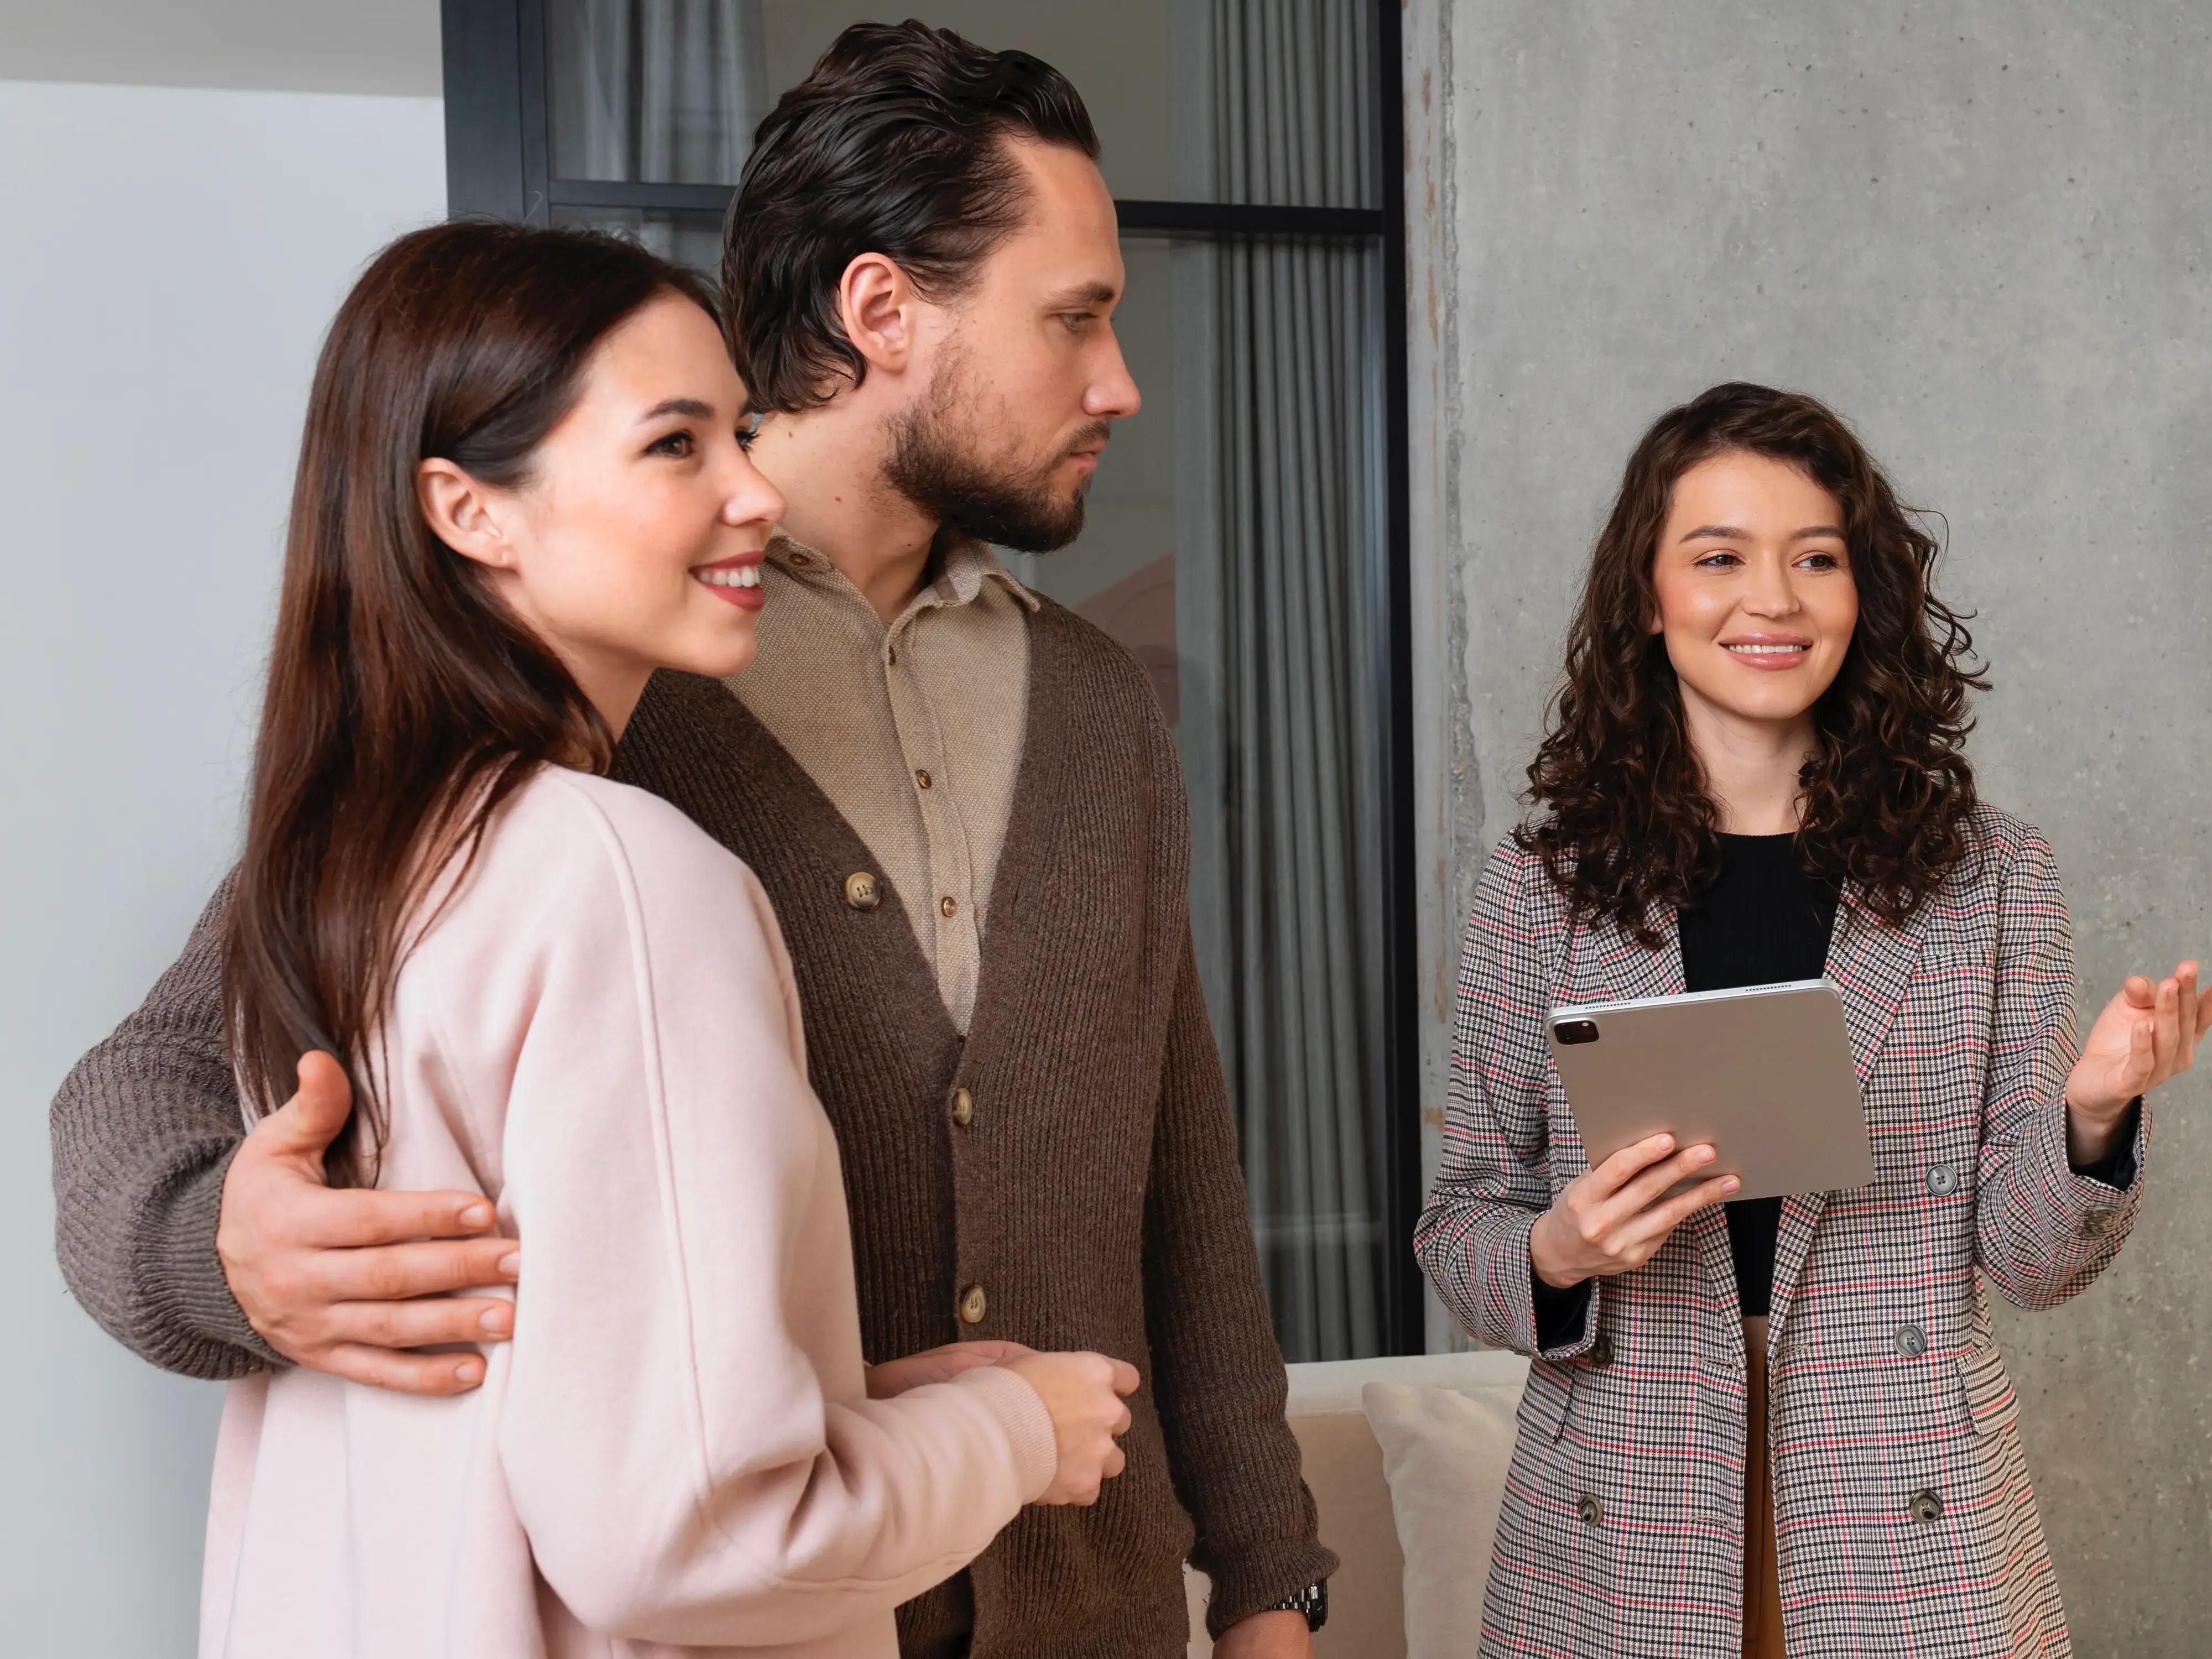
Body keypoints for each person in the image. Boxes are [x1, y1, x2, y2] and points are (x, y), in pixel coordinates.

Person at [51, 24, 1331, 1657]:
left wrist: (1271, 1577)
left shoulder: (1094, 705)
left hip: (1088, 1603)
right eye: (1073, 319)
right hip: (767, 1608)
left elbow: (1184, 1175)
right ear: (884, 314)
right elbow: (168, 1054)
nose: (1118, 385)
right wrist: (214, 1251)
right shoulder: (593, 674)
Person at [192, 218, 1135, 1656]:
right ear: (471, 510)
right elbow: (697, 1537)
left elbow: (521, 1416)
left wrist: (845, 1409)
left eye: (739, 434)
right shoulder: (621, 876)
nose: (757, 491)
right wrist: (1015, 1429)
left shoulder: (339, 873)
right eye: (675, 446)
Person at [1414, 383, 2212, 1658]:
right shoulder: (1540, 889)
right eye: (1720, 558)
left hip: (1907, 1516)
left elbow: (2031, 1263)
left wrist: (2091, 1118)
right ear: (1648, 597)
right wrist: (1559, 1251)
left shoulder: (1991, 877)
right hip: (1619, 1518)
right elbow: (1458, 1222)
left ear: (1865, 595)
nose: (1776, 600)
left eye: (1817, 558)